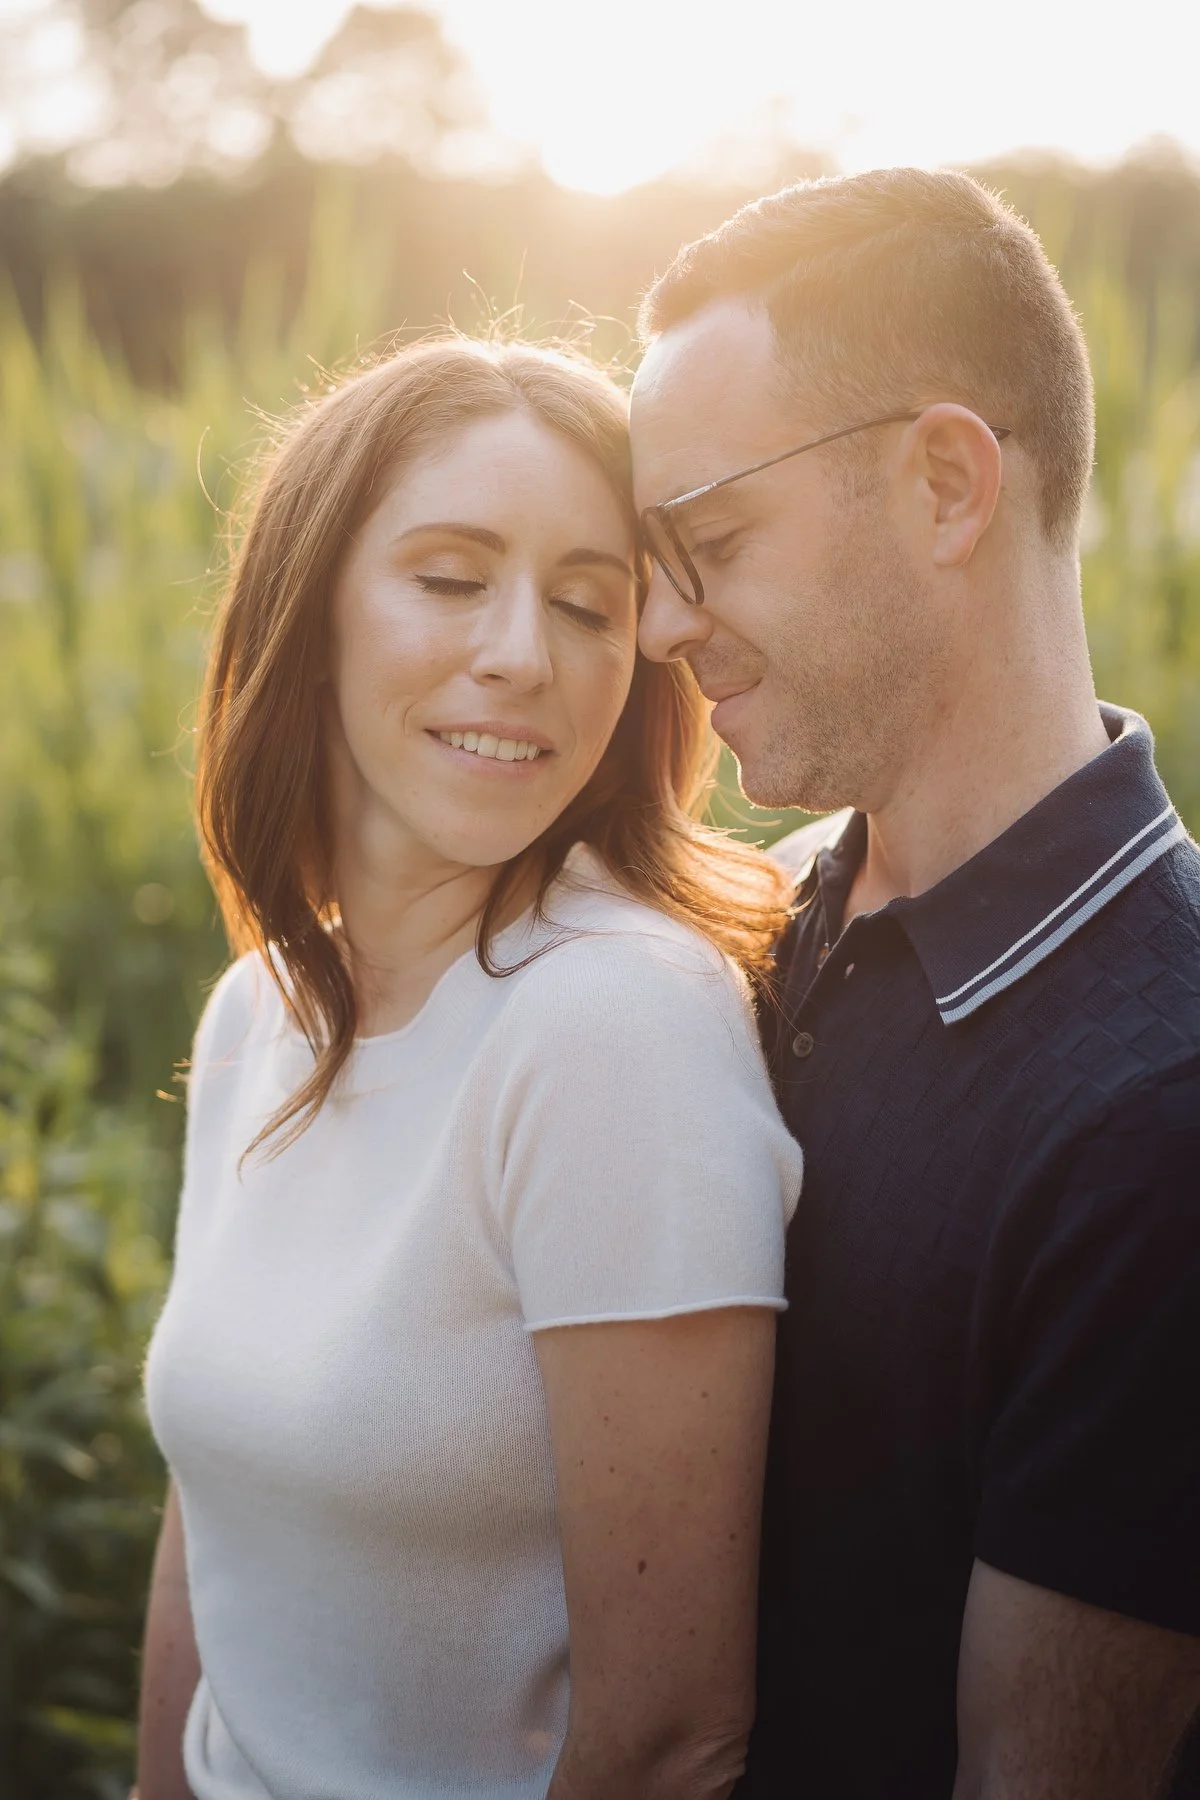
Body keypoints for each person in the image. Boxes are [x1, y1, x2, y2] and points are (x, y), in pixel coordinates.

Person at [136, 336, 805, 1800]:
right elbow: (212, 1543)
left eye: (587, 603)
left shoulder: (613, 1029)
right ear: (308, 613)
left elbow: (671, 1737)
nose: (523, 652)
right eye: (450, 578)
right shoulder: (259, 1012)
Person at [631, 167, 1200, 1800]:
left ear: (948, 484)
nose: (663, 621)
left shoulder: (1160, 1118)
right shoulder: (756, 914)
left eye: (713, 541)